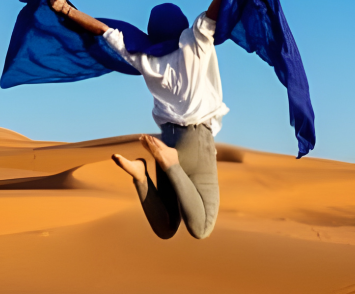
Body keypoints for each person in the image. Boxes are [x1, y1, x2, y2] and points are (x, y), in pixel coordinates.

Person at [49, 0, 228, 239]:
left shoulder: (142, 56)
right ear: (183, 24)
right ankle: (166, 166)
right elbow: (213, 13)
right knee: (202, 227)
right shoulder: (195, 41)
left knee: (167, 226)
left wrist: (65, 9)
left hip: (167, 140)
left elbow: (102, 29)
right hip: (194, 141)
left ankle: (141, 175)